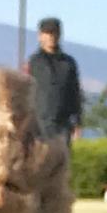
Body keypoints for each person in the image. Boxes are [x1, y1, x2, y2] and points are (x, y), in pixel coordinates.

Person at [27, 17, 84, 145]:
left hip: (62, 126)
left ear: (59, 35)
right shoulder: (34, 62)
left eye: (54, 33)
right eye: (47, 33)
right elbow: (26, 92)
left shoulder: (69, 63)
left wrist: (78, 122)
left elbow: (75, 94)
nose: (51, 37)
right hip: (38, 126)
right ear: (40, 36)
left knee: (61, 162)